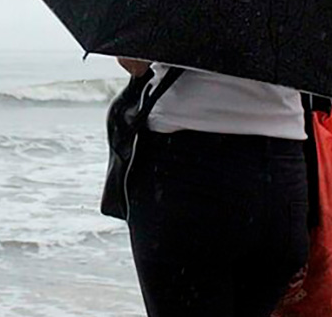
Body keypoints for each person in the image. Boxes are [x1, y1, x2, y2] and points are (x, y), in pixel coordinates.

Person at [116, 56, 311, 317]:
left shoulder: (176, 11)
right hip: (281, 177)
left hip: (186, 169)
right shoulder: (304, 14)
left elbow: (134, 61)